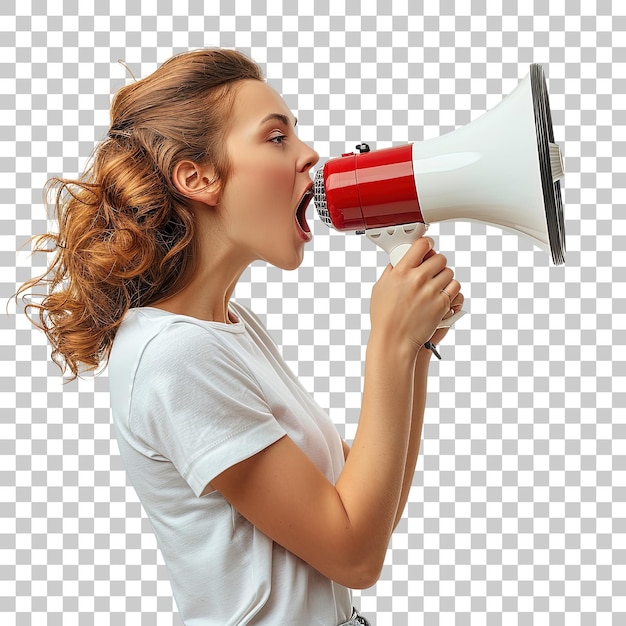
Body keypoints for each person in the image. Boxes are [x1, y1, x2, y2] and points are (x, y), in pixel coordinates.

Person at [18, 48, 463, 626]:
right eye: (276, 137)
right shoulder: (174, 357)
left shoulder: (229, 329)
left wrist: (417, 348)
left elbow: (369, 512)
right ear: (197, 177)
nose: (310, 156)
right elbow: (354, 556)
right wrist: (390, 344)